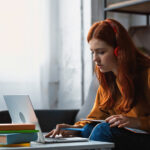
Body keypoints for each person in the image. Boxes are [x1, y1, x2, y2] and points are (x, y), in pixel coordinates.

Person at [45, 18, 150, 150]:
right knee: (89, 128)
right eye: (92, 52)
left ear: (119, 50)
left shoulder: (147, 73)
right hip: (128, 134)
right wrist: (74, 129)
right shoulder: (108, 79)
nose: (95, 58)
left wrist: (138, 122)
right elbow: (96, 117)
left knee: (103, 131)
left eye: (101, 52)